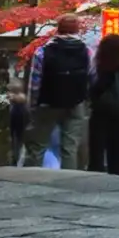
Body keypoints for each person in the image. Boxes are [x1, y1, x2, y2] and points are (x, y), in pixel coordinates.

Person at [20, 22, 91, 168]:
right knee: (70, 147)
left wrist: (32, 105)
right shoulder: (86, 50)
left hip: (47, 102)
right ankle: (68, 181)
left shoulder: (43, 51)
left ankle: (31, 179)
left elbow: (35, 82)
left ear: (58, 29)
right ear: (77, 30)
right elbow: (89, 77)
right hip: (75, 102)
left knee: (37, 146)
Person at [84, 32, 119, 174]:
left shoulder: (102, 67)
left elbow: (96, 89)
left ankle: (97, 172)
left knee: (98, 148)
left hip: (101, 113)